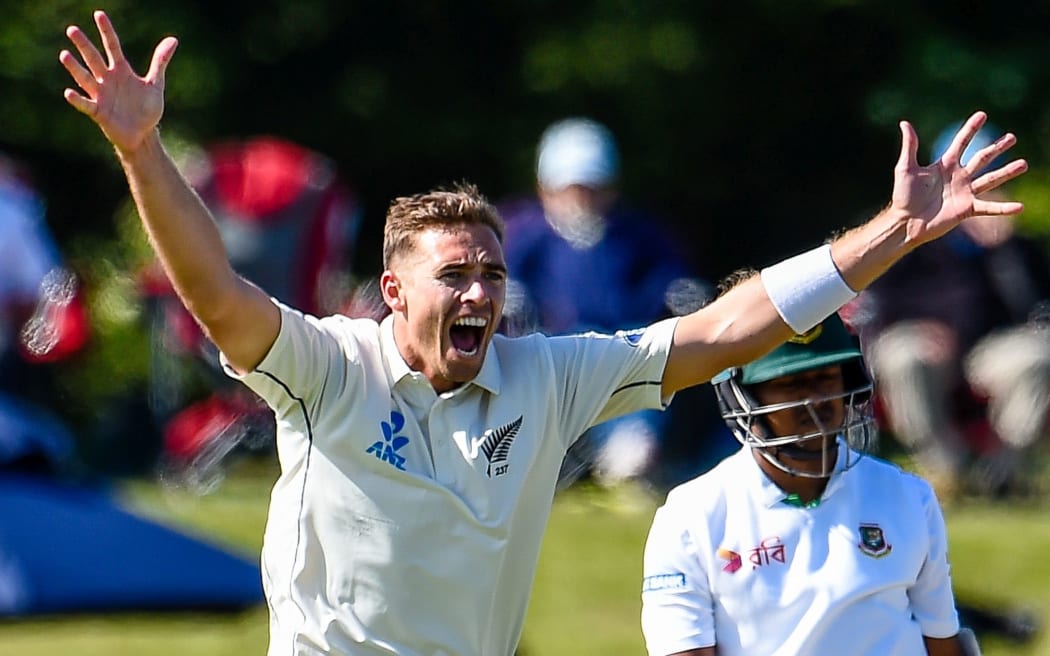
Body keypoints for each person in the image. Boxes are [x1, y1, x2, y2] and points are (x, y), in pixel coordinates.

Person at [59, 10, 1026, 656]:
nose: (479, 292)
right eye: (454, 275)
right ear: (392, 290)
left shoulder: (549, 376)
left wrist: (895, 230)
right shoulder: (326, 365)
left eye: (492, 271)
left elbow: (728, 329)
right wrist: (141, 151)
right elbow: (215, 291)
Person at [640, 314, 977, 656]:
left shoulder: (909, 496)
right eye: (790, 383)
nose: (814, 400)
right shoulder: (691, 516)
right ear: (742, 395)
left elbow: (942, 639)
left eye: (825, 378)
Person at [499, 117, 723, 488]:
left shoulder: (638, 234)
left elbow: (669, 279)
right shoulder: (525, 234)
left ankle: (621, 457)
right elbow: (505, 280)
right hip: (555, 364)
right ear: (545, 189)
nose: (582, 201)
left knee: (633, 454)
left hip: (627, 360)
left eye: (592, 189)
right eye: (571, 190)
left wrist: (678, 291)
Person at [844, 122, 1050, 500]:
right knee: (904, 355)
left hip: (990, 348)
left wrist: (1005, 254)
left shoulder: (1015, 246)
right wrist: (922, 325)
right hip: (925, 343)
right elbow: (876, 306)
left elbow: (1036, 312)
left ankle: (1002, 473)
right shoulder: (913, 232)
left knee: (1038, 356)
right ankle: (945, 469)